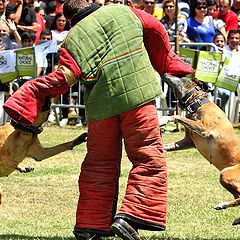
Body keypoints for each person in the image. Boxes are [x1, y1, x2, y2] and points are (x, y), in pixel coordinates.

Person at [3, 1, 193, 240]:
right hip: (138, 99)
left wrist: (31, 93)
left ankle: (89, 225)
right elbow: (157, 31)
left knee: (98, 165)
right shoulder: (124, 11)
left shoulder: (72, 38)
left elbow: (63, 78)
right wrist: (168, 63)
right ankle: (132, 216)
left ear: (71, 19)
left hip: (101, 108)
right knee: (147, 157)